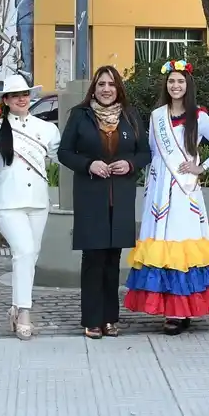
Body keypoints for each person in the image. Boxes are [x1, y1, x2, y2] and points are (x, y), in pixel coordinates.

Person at [125, 61, 209, 334]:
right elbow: (151, 152)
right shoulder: (157, 116)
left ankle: (181, 311)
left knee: (182, 244)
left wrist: (202, 168)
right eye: (171, 81)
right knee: (161, 243)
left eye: (180, 81)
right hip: (159, 189)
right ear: (166, 85)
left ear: (188, 85)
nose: (176, 86)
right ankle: (167, 307)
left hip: (185, 190)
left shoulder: (199, 117)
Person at [58, 65, 151, 339]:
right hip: (91, 196)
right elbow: (64, 152)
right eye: (101, 84)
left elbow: (145, 152)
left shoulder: (130, 115)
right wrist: (89, 164)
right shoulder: (80, 115)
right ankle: (92, 319)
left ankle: (110, 318)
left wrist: (130, 163)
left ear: (118, 87)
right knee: (93, 259)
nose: (106, 89)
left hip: (120, 197)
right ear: (94, 89)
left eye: (111, 84)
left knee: (113, 260)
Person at [0, 74, 60, 340]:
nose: (21, 99)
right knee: (24, 251)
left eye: (25, 94)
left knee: (31, 255)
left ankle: (16, 307)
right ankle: (25, 311)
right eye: (15, 95)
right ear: (6, 100)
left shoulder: (47, 129)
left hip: (38, 201)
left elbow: (62, 157)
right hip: (7, 201)